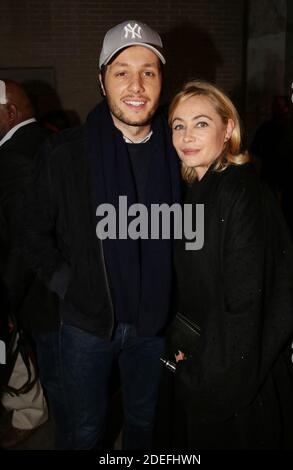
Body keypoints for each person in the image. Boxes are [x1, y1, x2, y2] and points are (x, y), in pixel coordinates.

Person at [21, 20, 180, 450]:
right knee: (85, 432)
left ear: (162, 79)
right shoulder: (63, 154)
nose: (136, 85)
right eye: (121, 71)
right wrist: (72, 286)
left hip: (155, 324)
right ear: (101, 80)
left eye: (149, 71)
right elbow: (32, 232)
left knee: (146, 423)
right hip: (87, 326)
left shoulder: (180, 150)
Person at [158, 80, 293, 449]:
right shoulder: (199, 189)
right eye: (178, 125)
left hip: (234, 381)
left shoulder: (240, 192)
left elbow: (247, 304)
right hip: (205, 361)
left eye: (201, 123)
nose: (187, 135)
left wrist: (201, 376)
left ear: (228, 129)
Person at [0, 80, 50, 448]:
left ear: (10, 113)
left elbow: (23, 243)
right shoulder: (42, 140)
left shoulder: (16, 156)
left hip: (30, 288)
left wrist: (8, 302)